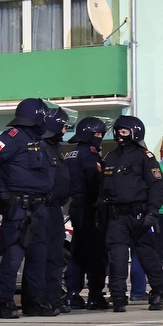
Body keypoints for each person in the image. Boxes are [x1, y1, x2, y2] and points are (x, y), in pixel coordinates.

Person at [0, 98, 55, 318]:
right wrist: (0, 192)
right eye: (43, 116)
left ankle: (34, 302)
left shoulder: (38, 140)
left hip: (39, 207)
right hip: (18, 208)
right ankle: (6, 302)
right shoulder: (13, 137)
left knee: (38, 258)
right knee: (13, 257)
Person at [100, 115, 163, 312]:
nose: (119, 136)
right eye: (117, 132)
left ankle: (157, 291)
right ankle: (118, 295)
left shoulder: (144, 157)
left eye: (123, 132)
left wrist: (152, 212)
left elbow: (158, 185)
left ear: (134, 132)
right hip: (117, 216)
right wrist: (101, 214)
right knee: (118, 257)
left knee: (147, 256)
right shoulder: (111, 156)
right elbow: (102, 189)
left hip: (139, 215)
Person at [63, 117, 110, 310]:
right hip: (89, 206)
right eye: (97, 134)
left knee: (78, 251)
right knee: (96, 253)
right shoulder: (90, 154)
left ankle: (72, 293)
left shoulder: (70, 153)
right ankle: (95, 295)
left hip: (75, 205)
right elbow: (93, 178)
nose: (99, 138)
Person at [42, 108, 73, 313]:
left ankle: (53, 297)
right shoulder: (41, 147)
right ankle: (41, 299)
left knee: (55, 256)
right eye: (62, 125)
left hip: (55, 208)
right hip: (43, 207)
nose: (64, 130)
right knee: (41, 257)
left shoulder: (54, 148)